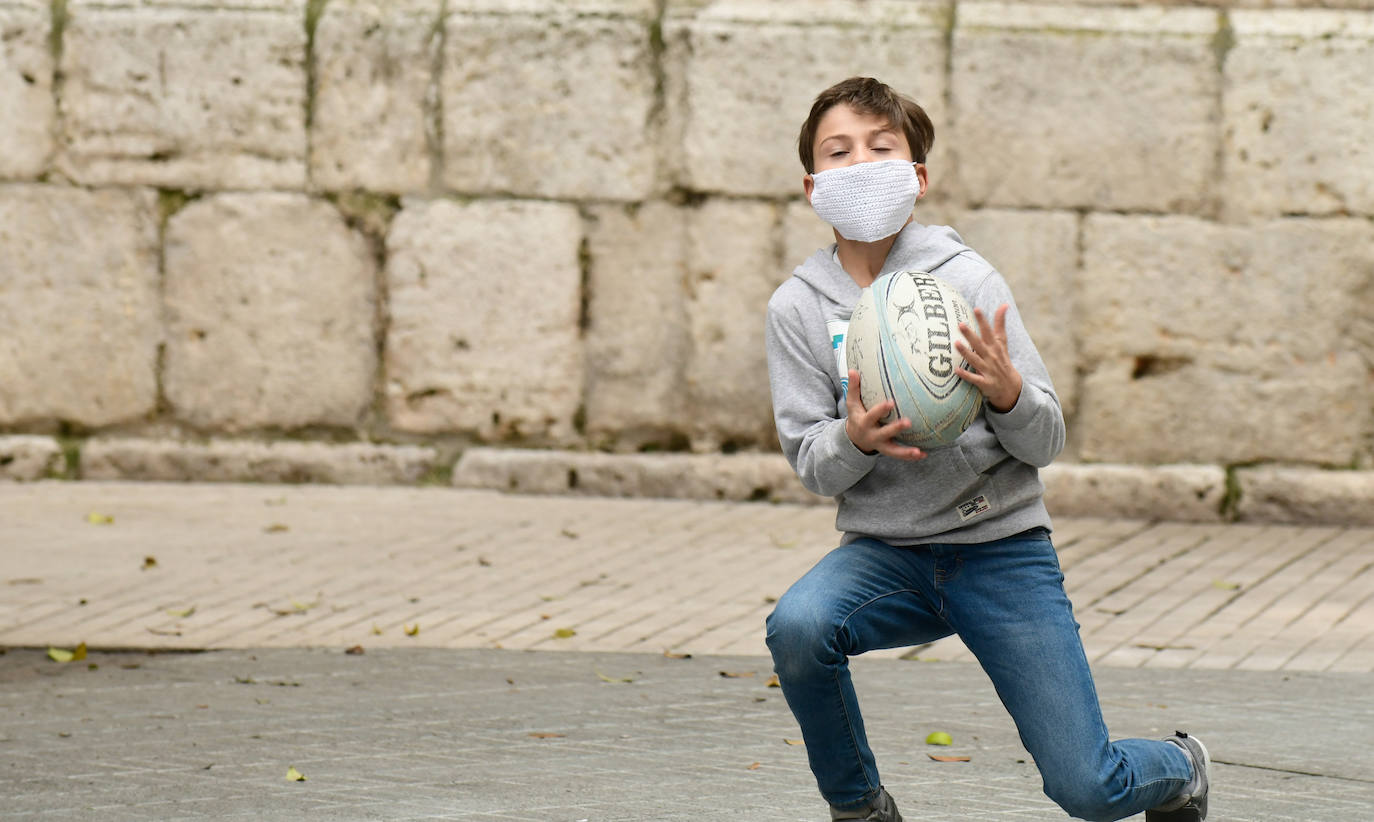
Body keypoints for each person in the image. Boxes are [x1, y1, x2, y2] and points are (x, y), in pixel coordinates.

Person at [763, 76, 1211, 822]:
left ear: (918, 175)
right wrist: (853, 440)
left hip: (1002, 552)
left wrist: (1008, 394)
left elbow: (1047, 438)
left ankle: (1181, 765)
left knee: (1090, 789)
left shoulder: (967, 278)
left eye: (881, 148)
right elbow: (811, 461)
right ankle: (861, 807)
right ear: (812, 185)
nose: (859, 164)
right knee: (800, 626)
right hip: (889, 556)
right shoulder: (796, 308)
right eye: (837, 153)